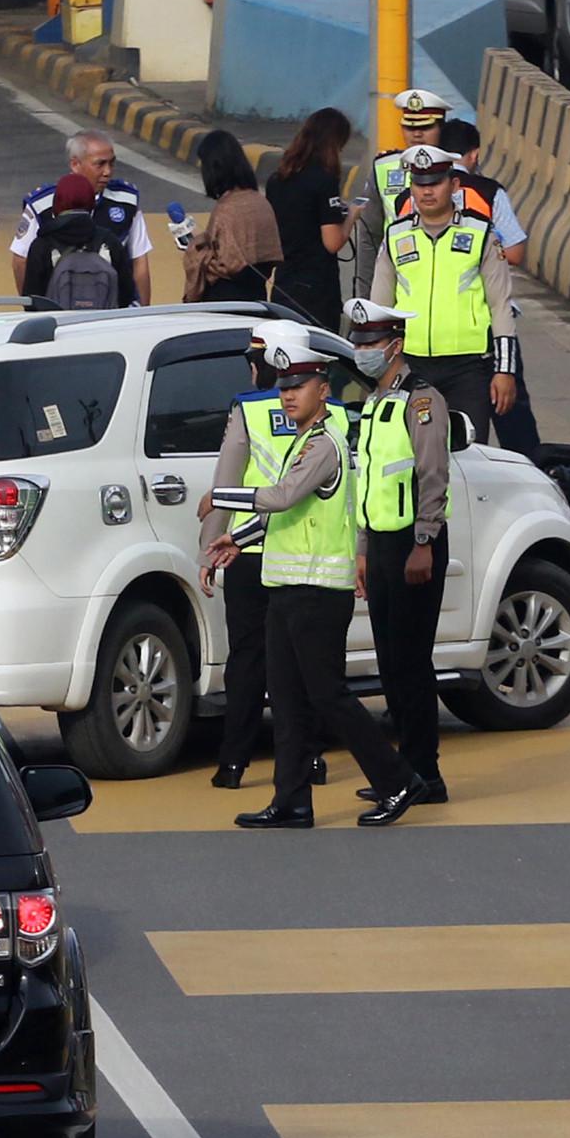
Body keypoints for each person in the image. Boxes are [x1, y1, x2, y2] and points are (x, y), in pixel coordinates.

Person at [199, 323, 426, 830]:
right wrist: (238, 538)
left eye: (296, 388)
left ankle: (398, 779)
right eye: (282, 388)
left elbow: (282, 496)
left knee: (327, 695)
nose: (286, 397)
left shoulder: (324, 443)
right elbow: (282, 512)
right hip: (286, 588)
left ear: (323, 390)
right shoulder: (301, 442)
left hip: (319, 592)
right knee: (286, 698)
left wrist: (223, 499)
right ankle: (292, 800)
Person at [197, 344, 343, 792]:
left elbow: (229, 478)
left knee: (249, 660)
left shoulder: (248, 409)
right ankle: (311, 758)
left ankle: (234, 763)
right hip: (308, 559)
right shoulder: (336, 415)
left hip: (255, 554)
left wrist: (212, 547)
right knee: (310, 667)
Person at [345, 297, 452, 806]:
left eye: (371, 343)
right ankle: (407, 770)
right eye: (359, 343)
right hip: (383, 543)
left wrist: (425, 541)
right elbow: (369, 481)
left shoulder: (421, 401)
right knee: (390, 661)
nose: (364, 351)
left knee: (412, 661)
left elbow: (433, 475)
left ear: (395, 345)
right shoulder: (375, 401)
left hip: (415, 544)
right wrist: (364, 549)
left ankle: (424, 772)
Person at [370, 144, 518, 443]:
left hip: (469, 368)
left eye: (435, 183)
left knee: (471, 455)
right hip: (411, 365)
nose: (426, 192)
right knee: (410, 453)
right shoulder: (396, 236)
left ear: (453, 185)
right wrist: (377, 368)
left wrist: (505, 371)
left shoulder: (481, 234)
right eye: (419, 184)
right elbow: (379, 310)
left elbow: (501, 307)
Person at [434, 116, 541, 460]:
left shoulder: (413, 194)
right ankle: (525, 470)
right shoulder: (488, 191)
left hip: (432, 328)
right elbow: (515, 251)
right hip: (486, 320)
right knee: (509, 404)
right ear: (474, 153)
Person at [12, 132, 152, 306]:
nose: (108, 172)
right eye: (100, 164)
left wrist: (143, 313)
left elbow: (139, 261)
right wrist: (35, 307)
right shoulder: (41, 205)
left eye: (111, 163)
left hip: (111, 314)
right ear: (75, 164)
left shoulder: (127, 201)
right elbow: (20, 260)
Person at [348, 86, 449, 297]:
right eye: (410, 127)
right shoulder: (384, 167)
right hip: (395, 280)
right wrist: (365, 296)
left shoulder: (456, 170)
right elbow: (370, 237)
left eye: (426, 127)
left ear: (441, 127)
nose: (417, 134)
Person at [264, 106, 355, 330]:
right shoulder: (324, 180)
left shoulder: (277, 179)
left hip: (284, 281)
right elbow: (332, 242)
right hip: (317, 287)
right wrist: (352, 216)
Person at [182, 129, 283, 303]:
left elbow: (228, 263)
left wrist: (196, 253)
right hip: (257, 296)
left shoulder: (226, 209)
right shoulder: (261, 202)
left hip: (224, 300)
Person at [21, 175, 124, 309]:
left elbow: (32, 299)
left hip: (58, 326)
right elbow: (125, 294)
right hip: (103, 326)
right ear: (92, 203)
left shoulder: (42, 245)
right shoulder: (109, 241)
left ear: (57, 203)